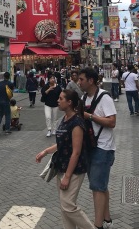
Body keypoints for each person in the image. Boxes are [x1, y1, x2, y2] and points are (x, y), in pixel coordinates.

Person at [36, 89, 94, 229]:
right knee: (64, 207)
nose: (58, 100)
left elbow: (76, 151)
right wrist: (46, 151)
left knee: (68, 206)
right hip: (60, 166)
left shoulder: (77, 122)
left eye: (61, 99)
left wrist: (67, 176)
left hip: (74, 170)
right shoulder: (64, 118)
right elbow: (62, 143)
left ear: (69, 102)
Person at [78, 67, 116, 229]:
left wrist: (90, 116)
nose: (78, 82)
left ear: (91, 81)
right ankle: (106, 217)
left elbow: (112, 122)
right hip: (89, 146)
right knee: (100, 185)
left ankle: (98, 225)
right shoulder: (83, 97)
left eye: (81, 79)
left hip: (103, 147)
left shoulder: (104, 98)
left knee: (97, 187)